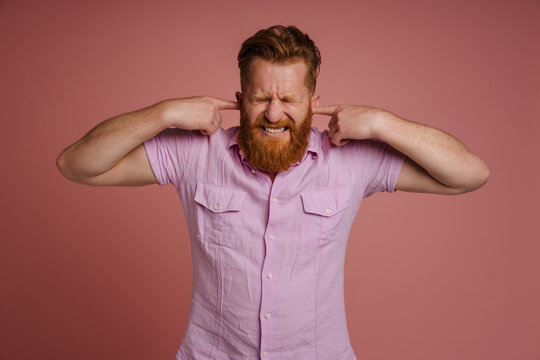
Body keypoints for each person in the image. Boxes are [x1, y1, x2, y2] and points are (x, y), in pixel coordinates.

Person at [56, 25, 489, 360]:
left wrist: (383, 124)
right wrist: (164, 112)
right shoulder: (194, 155)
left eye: (290, 99)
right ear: (240, 99)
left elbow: (469, 174)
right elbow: (76, 165)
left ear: (314, 102)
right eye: (261, 97)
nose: (275, 113)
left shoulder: (352, 160)